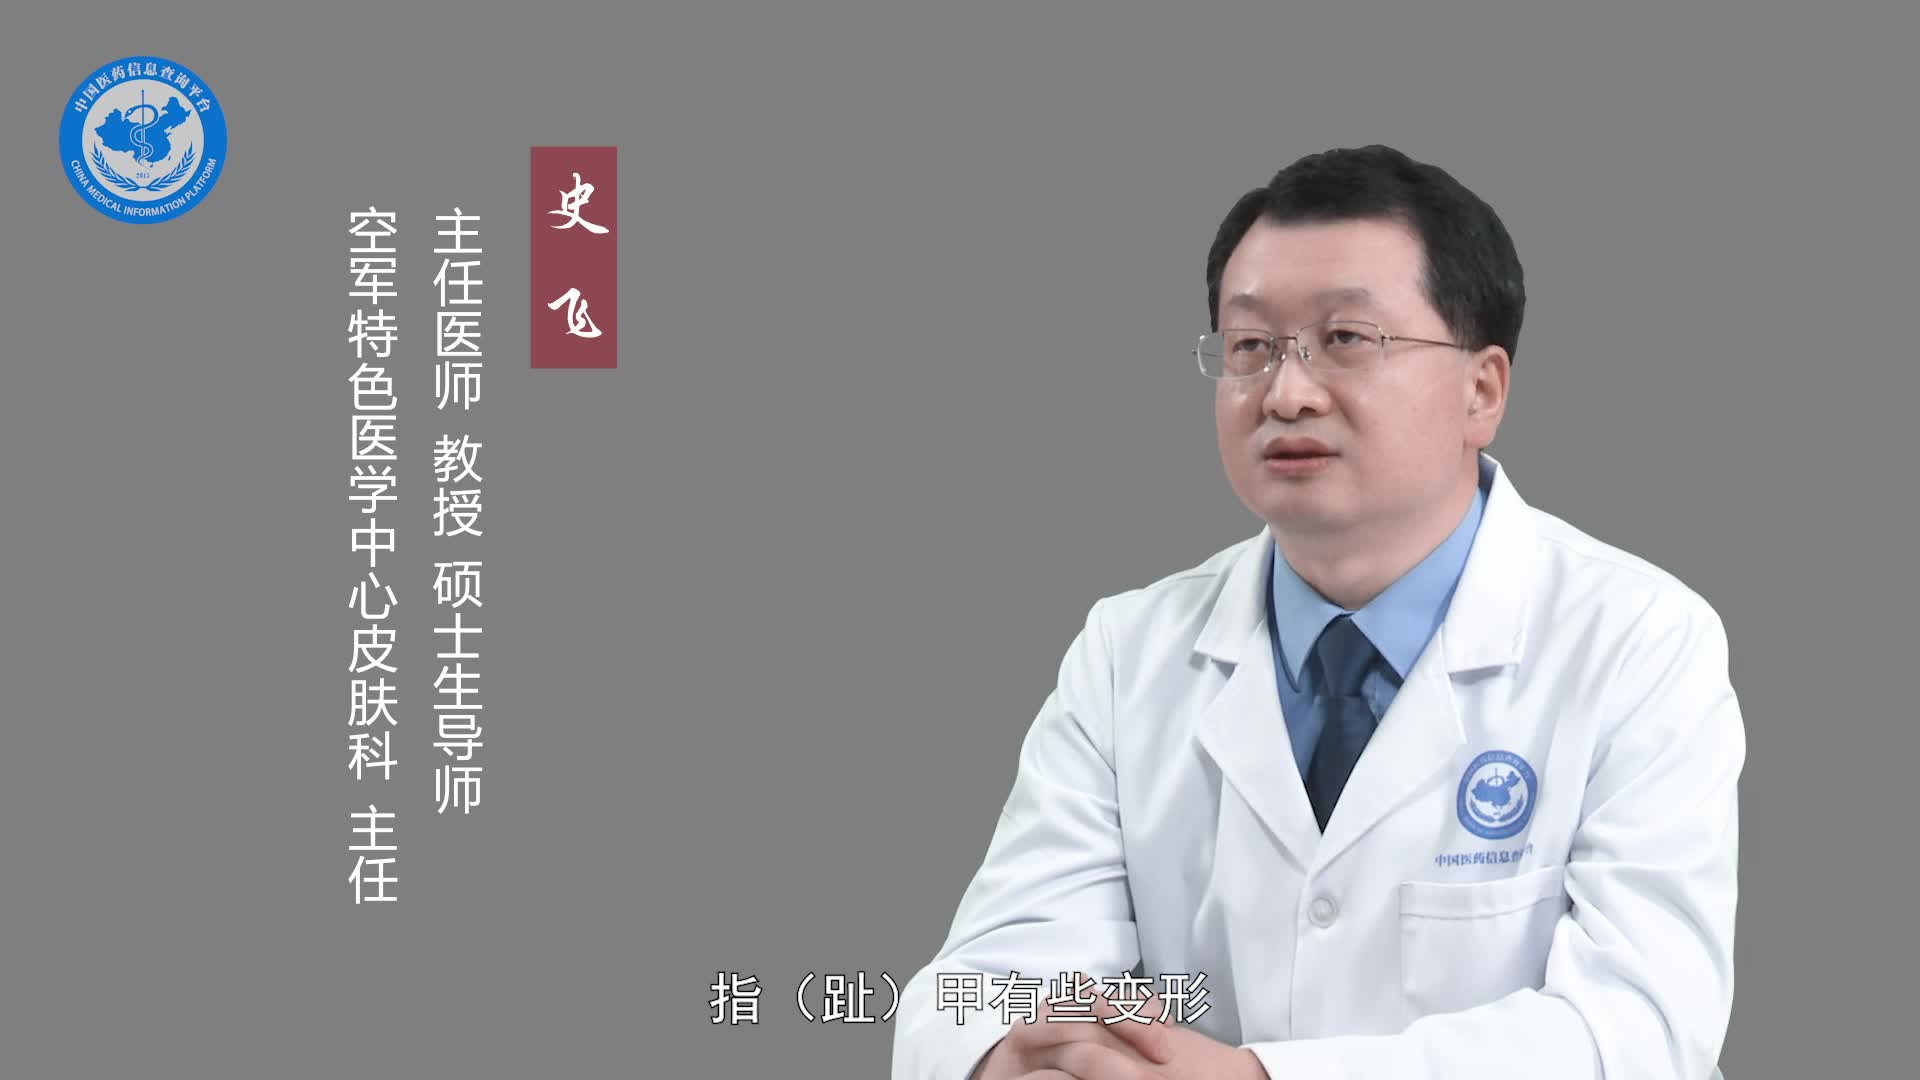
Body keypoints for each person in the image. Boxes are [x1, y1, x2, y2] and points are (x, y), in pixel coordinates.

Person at [890, 145, 1743, 1080]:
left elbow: (1643, 1026)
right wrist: (1011, 1061)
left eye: (1346, 338)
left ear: (1482, 389)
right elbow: (983, 980)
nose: (1286, 393)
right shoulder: (1129, 650)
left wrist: (1260, 1078)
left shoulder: (1638, 641)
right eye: (1250, 347)